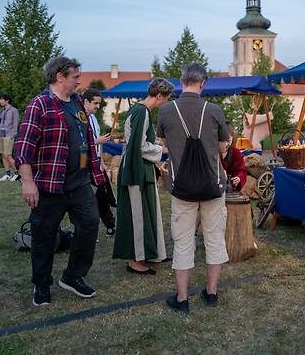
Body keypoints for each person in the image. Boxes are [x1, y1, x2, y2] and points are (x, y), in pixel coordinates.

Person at [14, 56, 104, 307]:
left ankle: (73, 276)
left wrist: (95, 174)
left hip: (79, 183)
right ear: (59, 76)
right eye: (75, 76)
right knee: (44, 236)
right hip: (49, 186)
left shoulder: (77, 103)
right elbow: (24, 146)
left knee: (90, 225)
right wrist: (27, 182)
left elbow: (86, 138)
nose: (79, 80)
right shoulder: (39, 105)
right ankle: (41, 285)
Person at [157, 63, 230, 313]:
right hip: (213, 185)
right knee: (214, 239)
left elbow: (165, 144)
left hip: (182, 187)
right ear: (203, 83)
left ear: (180, 80)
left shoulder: (166, 111)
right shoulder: (215, 110)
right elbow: (223, 147)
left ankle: (182, 298)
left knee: (183, 241)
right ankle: (211, 293)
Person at [113, 78, 174, 275]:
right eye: (166, 98)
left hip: (141, 168)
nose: (165, 102)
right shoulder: (141, 112)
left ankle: (151, 252)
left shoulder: (140, 111)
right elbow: (139, 146)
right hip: (135, 170)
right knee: (136, 215)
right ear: (158, 96)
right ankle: (134, 260)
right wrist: (162, 149)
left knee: (148, 210)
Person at [82, 88, 116, 237]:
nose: (97, 106)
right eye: (95, 103)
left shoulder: (94, 118)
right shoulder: (79, 118)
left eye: (98, 103)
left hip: (96, 163)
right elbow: (80, 144)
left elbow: (98, 144)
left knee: (102, 196)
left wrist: (101, 161)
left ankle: (110, 225)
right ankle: (88, 232)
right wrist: (97, 141)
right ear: (86, 102)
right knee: (88, 200)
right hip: (84, 164)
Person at [0, 93, 20, 181]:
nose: (0, 101)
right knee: (3, 154)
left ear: (7, 100)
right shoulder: (2, 111)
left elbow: (16, 124)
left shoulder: (14, 110)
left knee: (8, 155)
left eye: (2, 99)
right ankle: (7, 174)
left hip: (9, 135)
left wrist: (13, 135)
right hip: (0, 134)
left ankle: (18, 174)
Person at [220, 126, 247, 193]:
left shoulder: (236, 153)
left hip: (231, 188)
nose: (226, 144)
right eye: (223, 141)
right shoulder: (213, 152)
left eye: (228, 141)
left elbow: (241, 170)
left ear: (233, 139)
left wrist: (239, 177)